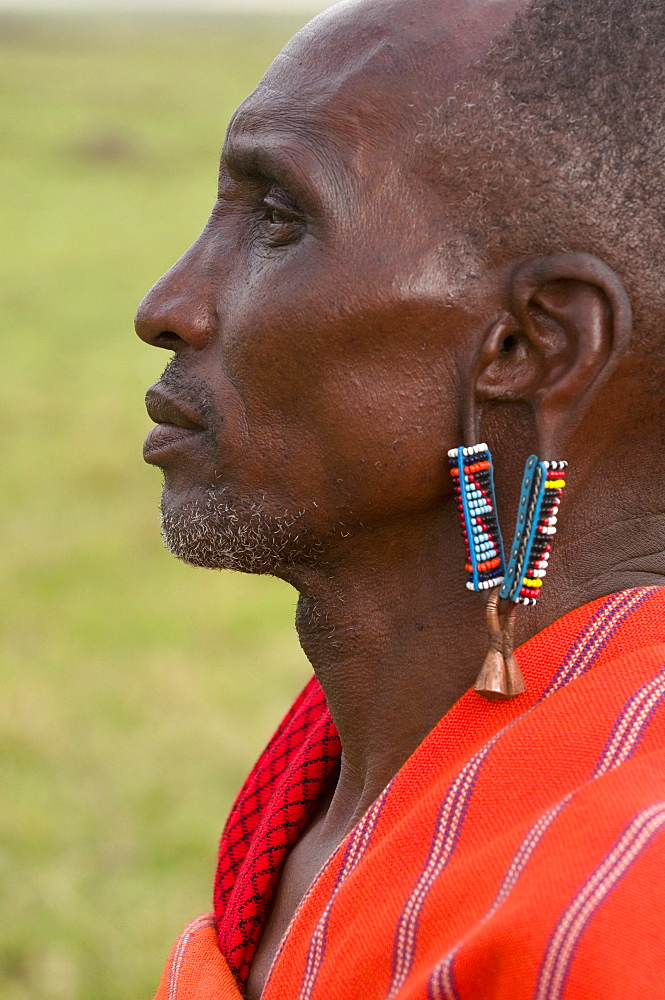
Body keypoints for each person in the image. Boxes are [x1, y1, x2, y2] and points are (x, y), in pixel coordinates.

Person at [134, 0, 665, 996]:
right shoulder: (332, 756)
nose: (166, 306)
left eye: (279, 220)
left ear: (529, 346)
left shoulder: (625, 892)